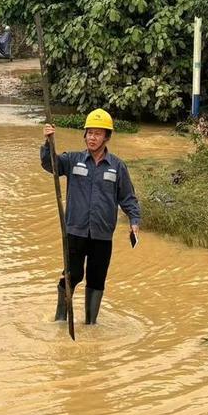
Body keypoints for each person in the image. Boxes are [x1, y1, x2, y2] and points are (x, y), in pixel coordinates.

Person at [41, 109, 141, 325]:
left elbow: (128, 198)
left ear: (107, 137)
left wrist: (134, 221)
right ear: (84, 135)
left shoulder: (117, 166)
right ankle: (60, 320)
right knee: (72, 275)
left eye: (98, 133)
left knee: (96, 279)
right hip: (75, 231)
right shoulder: (73, 160)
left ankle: (91, 324)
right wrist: (48, 143)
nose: (92, 138)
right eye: (89, 133)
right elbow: (51, 165)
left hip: (102, 235)